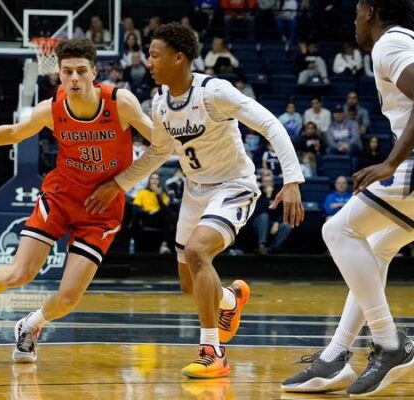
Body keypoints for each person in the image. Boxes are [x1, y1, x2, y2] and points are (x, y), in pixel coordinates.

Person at [0, 39, 159, 365]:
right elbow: (13, 133)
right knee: (19, 272)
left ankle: (31, 324)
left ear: (94, 73)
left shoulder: (121, 103)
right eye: (67, 71)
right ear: (58, 74)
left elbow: (162, 145)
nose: (73, 78)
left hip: (102, 208)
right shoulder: (50, 110)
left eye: (81, 71)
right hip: (61, 196)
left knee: (68, 298)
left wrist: (119, 184)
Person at [86, 23, 304, 379]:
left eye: (155, 55)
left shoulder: (214, 92)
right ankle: (231, 300)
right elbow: (158, 152)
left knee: (198, 253)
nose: (148, 61)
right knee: (190, 283)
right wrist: (118, 183)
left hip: (233, 185)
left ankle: (212, 351)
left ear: (179, 57)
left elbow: (270, 125)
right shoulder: (159, 103)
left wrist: (292, 179)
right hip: (195, 191)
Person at [282, 0, 414, 396]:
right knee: (375, 248)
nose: (354, 22)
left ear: (370, 11)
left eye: (356, 13)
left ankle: (390, 345)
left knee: (337, 231)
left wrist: (391, 162)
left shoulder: (389, 44)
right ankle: (335, 356)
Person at [253, 174, 292, 254]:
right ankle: (262, 245)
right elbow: (260, 211)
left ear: (273, 183)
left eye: (270, 181)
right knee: (264, 216)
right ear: (262, 183)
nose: (268, 183)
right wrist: (268, 196)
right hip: (259, 222)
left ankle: (273, 248)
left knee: (286, 225)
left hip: (273, 222)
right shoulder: (257, 193)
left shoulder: (278, 194)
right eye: (266, 181)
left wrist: (277, 222)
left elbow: (282, 210)